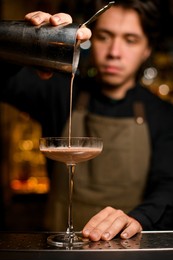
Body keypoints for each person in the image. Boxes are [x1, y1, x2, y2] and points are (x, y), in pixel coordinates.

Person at [1, 0, 173, 242]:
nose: (114, 52)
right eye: (105, 36)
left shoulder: (162, 115)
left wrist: (139, 219)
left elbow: (168, 187)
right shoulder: (56, 91)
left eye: (130, 40)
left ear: (147, 49)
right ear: (90, 40)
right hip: (58, 254)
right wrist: (25, 38)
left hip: (126, 253)